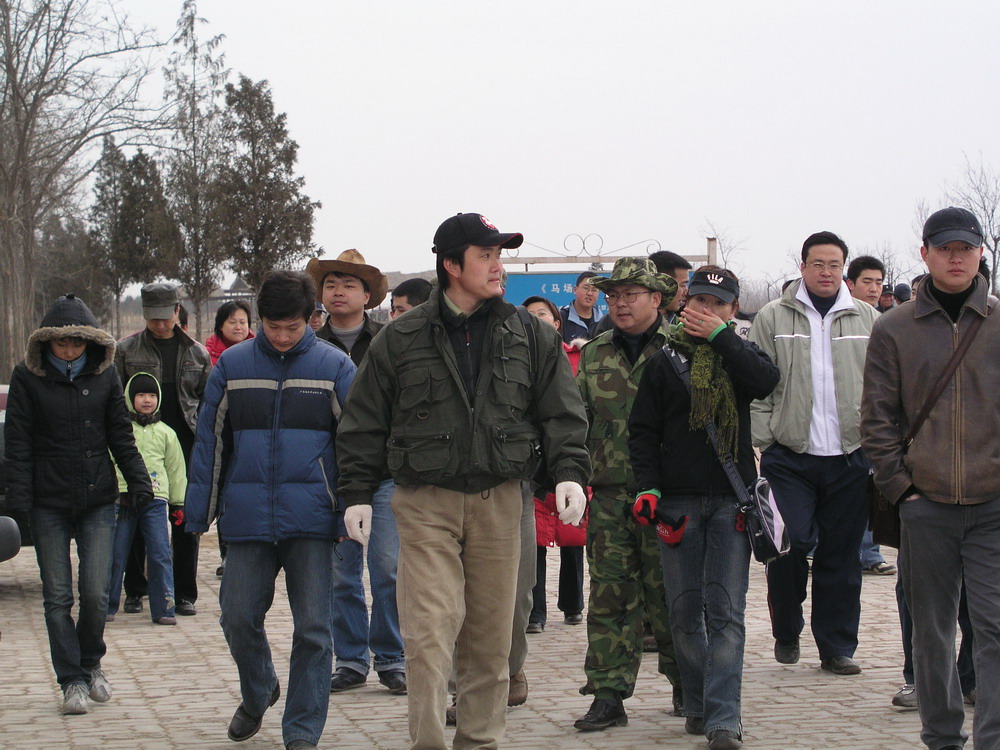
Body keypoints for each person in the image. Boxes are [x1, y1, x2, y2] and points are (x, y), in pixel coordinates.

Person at [335, 212, 590, 750]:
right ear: (451, 265)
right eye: (486, 256)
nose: (499, 267)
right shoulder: (400, 338)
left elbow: (562, 411)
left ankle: (480, 742)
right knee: (429, 634)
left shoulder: (527, 333)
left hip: (502, 502)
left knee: (491, 640)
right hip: (424, 504)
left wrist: (569, 471)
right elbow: (363, 422)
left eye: (500, 255)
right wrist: (356, 493)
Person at [185, 270, 356, 750]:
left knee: (315, 631)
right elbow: (211, 443)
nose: (281, 337)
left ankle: (301, 731)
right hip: (247, 516)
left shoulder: (335, 368)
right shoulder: (233, 366)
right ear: (260, 320)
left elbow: (356, 446)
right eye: (272, 327)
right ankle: (259, 689)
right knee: (236, 616)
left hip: (315, 521)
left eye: (292, 328)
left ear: (312, 320)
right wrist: (200, 514)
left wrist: (349, 509)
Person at [861, 206, 1000, 750]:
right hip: (926, 506)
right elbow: (876, 418)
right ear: (925, 254)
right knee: (932, 634)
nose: (956, 257)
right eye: (945, 248)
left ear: (980, 253)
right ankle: (942, 735)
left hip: (993, 507)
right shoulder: (895, 328)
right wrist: (903, 489)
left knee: (994, 630)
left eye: (966, 248)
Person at [630, 266, 779, 750]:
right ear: (682, 304)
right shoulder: (662, 362)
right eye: (699, 302)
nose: (706, 311)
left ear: (733, 310)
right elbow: (643, 433)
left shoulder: (740, 355)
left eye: (718, 304)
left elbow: (765, 380)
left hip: (732, 503)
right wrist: (647, 488)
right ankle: (696, 701)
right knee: (683, 613)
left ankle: (723, 719)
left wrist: (722, 339)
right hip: (677, 504)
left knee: (726, 613)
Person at [3, 294, 152, 714]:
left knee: (96, 590)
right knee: (56, 596)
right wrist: (19, 499)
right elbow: (17, 444)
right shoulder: (26, 378)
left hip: (98, 498)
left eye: (77, 343)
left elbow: (121, 435)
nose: (69, 351)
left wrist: (138, 480)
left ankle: (91, 664)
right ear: (46, 343)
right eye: (61, 343)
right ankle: (70, 680)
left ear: (90, 343)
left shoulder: (105, 378)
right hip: (47, 501)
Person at [749, 231, 878, 675]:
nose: (826, 272)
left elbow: (881, 386)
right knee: (790, 544)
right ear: (802, 266)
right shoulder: (772, 316)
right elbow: (758, 382)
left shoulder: (867, 318)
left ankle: (836, 647)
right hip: (790, 455)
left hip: (849, 455)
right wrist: (766, 435)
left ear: (844, 268)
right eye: (818, 264)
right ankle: (786, 629)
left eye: (834, 264)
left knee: (841, 556)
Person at [573, 257, 683, 732]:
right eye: (613, 295)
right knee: (609, 596)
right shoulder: (595, 353)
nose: (619, 303)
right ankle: (607, 694)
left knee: (672, 596)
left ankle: (689, 685)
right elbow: (575, 420)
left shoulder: (683, 348)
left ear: (656, 300)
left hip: (671, 496)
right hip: (611, 494)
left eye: (630, 295)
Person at [305, 249, 406, 695]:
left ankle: (391, 656)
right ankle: (350, 658)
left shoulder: (391, 342)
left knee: (388, 570)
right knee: (341, 574)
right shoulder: (308, 346)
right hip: (330, 477)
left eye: (348, 284)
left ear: (368, 295)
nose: (338, 291)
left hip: (384, 474)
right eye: (330, 284)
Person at [116, 282, 211, 617]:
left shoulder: (197, 353)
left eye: (165, 317)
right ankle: (135, 589)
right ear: (145, 314)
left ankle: (184, 592)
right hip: (139, 444)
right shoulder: (126, 350)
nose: (159, 324)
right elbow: (114, 400)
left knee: (185, 519)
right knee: (134, 514)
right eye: (152, 318)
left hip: (184, 443)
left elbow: (208, 401)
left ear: (176, 312)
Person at [522, 296, 586, 633]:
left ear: (557, 322)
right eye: (529, 315)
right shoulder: (516, 359)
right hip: (532, 463)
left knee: (572, 535)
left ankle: (573, 604)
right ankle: (535, 613)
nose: (536, 319)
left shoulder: (577, 358)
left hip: (567, 457)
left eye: (542, 314)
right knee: (535, 541)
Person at [106, 373, 186, 626]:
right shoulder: (120, 429)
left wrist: (179, 503)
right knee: (115, 554)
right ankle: (105, 606)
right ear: (130, 398)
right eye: (141, 395)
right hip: (122, 497)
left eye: (152, 395)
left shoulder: (166, 433)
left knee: (160, 553)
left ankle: (164, 607)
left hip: (156, 499)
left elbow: (176, 469)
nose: (147, 400)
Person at [844, 256, 896, 576]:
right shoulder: (840, 320)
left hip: (873, 419)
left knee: (872, 489)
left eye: (879, 282)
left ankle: (869, 551)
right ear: (850, 284)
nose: (874, 288)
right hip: (841, 423)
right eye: (867, 282)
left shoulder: (886, 323)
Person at [205, 300, 254, 366]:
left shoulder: (258, 351)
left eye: (242, 322)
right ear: (220, 326)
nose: (238, 327)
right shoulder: (207, 355)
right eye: (232, 322)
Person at [559, 271, 604, 342]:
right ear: (575, 290)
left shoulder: (603, 321)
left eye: (594, 290)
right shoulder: (561, 318)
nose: (589, 293)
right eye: (586, 288)